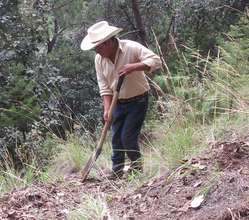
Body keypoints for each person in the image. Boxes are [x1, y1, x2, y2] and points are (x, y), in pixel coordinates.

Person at [81, 21, 162, 179]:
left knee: (127, 137)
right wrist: (107, 109)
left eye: (99, 46)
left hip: (138, 101)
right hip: (116, 103)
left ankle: (137, 169)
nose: (96, 51)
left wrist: (134, 67)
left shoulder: (131, 47)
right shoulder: (99, 59)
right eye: (95, 48)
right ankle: (117, 171)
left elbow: (156, 61)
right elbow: (104, 86)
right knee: (116, 137)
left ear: (109, 41)